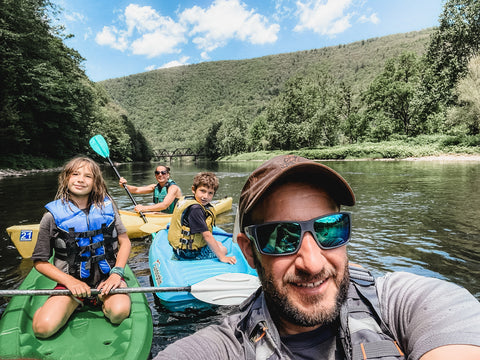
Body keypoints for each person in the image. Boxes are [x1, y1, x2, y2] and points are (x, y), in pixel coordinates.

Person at [154, 154, 480, 360]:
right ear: (250, 252)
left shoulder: (399, 306)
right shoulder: (225, 348)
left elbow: (454, 318)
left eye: (329, 230)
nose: (312, 263)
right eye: (281, 237)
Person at [31, 156, 132, 338]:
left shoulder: (108, 209)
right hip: (71, 286)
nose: (80, 179)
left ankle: (103, 302)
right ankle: (60, 305)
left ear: (95, 183)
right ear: (66, 178)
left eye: (88, 176)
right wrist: (70, 282)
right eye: (75, 174)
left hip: (106, 282)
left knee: (119, 313)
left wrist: (117, 273)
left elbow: (125, 242)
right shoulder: (51, 217)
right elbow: (40, 261)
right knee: (42, 329)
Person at [168, 171, 236, 264]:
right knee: (223, 249)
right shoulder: (195, 209)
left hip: (179, 251)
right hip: (190, 255)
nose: (205, 196)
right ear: (194, 189)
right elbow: (207, 236)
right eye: (202, 191)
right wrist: (222, 257)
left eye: (210, 193)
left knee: (218, 244)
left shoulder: (187, 200)